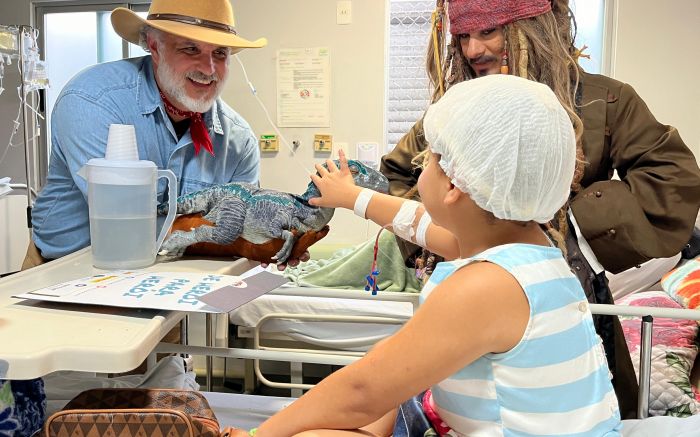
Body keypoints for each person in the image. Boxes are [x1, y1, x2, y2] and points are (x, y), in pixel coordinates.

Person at [232, 75, 622, 437]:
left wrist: (257, 435)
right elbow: (416, 222)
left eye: (431, 159)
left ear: (453, 182)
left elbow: (361, 391)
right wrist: (353, 197)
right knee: (393, 378)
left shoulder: (485, 286)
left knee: (318, 428)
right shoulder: (533, 253)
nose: (422, 170)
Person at [380, 0, 700, 417]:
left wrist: (572, 237)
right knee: (464, 408)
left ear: (534, 28)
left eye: (489, 31)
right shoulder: (459, 106)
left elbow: (673, 178)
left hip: (569, 296)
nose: (474, 50)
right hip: (474, 294)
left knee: (570, 409)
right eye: (463, 36)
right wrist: (454, 239)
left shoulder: (606, 100)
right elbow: (400, 173)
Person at [23, 0, 267, 269]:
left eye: (220, 53)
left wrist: (273, 237)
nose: (208, 69)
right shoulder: (93, 99)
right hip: (67, 270)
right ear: (154, 46)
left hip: (176, 272)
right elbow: (126, 223)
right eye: (190, 48)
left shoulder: (238, 141)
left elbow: (242, 223)